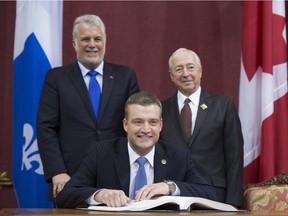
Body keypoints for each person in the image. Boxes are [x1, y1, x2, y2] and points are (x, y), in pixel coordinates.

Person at [36, 14, 140, 200]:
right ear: (75, 43)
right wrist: (57, 171)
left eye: (97, 39)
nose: (92, 44)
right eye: (85, 39)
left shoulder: (125, 76)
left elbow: (136, 124)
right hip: (70, 177)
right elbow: (46, 128)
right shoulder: (56, 78)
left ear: (105, 42)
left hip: (118, 175)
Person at [56, 91, 218, 208]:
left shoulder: (179, 156)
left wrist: (170, 187)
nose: (146, 129)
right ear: (126, 124)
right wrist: (99, 195)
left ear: (160, 125)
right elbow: (65, 196)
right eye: (138, 122)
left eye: (153, 122)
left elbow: (210, 194)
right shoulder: (102, 152)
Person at [160, 48, 244, 207]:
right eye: (179, 69)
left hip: (215, 196)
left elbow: (235, 158)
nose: (185, 73)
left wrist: (233, 204)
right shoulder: (160, 110)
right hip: (174, 198)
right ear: (171, 76)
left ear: (200, 71)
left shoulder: (223, 105)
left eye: (190, 67)